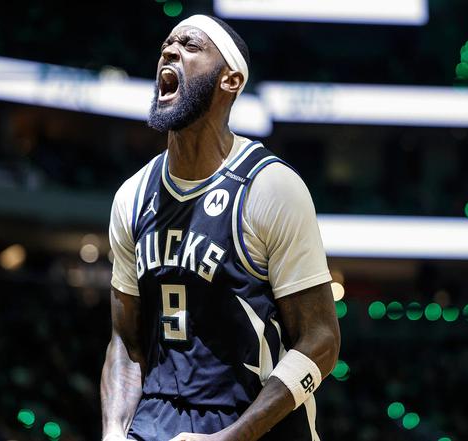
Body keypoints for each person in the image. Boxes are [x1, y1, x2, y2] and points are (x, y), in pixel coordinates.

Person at [101, 14, 340, 441]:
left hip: (253, 419)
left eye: (190, 45)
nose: (169, 51)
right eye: (167, 44)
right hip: (157, 419)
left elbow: (321, 340)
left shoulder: (270, 187)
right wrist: (114, 431)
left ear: (230, 80)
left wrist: (233, 437)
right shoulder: (132, 196)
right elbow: (126, 340)